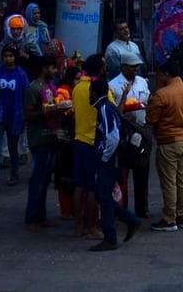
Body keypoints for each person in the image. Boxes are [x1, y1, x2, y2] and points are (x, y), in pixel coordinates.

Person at [90, 74, 140, 250]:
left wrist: (104, 156)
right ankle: (129, 220)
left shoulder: (104, 108)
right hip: (110, 159)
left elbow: (112, 136)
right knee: (102, 196)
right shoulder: (107, 107)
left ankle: (111, 236)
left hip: (108, 160)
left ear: (95, 93)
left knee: (103, 197)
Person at [146, 57, 183, 232]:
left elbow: (151, 119)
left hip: (168, 142)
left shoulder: (162, 94)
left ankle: (169, 218)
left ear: (166, 74)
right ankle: (182, 216)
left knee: (169, 182)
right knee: (182, 179)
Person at [108, 43, 151, 218]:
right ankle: (122, 209)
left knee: (143, 172)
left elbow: (148, 100)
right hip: (123, 133)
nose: (135, 69)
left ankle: (142, 209)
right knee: (122, 174)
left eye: (137, 67)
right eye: (132, 67)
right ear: (124, 67)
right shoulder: (113, 85)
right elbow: (113, 111)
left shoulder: (142, 82)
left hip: (141, 129)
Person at [23, 54, 62, 231]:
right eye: (52, 67)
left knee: (45, 179)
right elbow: (28, 114)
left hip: (51, 136)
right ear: (44, 68)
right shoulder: (33, 88)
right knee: (38, 179)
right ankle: (32, 218)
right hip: (38, 138)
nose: (55, 70)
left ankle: (41, 215)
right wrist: (47, 113)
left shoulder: (51, 87)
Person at [0, 44, 28, 193]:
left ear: (15, 58)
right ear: (2, 57)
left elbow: (25, 96)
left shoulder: (21, 75)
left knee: (13, 148)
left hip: (14, 117)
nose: (8, 58)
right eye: (6, 56)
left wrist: (24, 117)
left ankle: (14, 175)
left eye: (11, 56)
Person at [72, 53, 106, 240]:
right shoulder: (100, 88)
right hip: (94, 142)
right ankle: (92, 227)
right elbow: (111, 112)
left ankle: (78, 226)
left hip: (79, 140)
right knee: (93, 188)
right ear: (101, 69)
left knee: (79, 185)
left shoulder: (77, 88)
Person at [151, 0, 183, 67]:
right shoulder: (179, 3)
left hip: (160, 43)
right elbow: (182, 29)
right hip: (175, 44)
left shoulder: (162, 6)